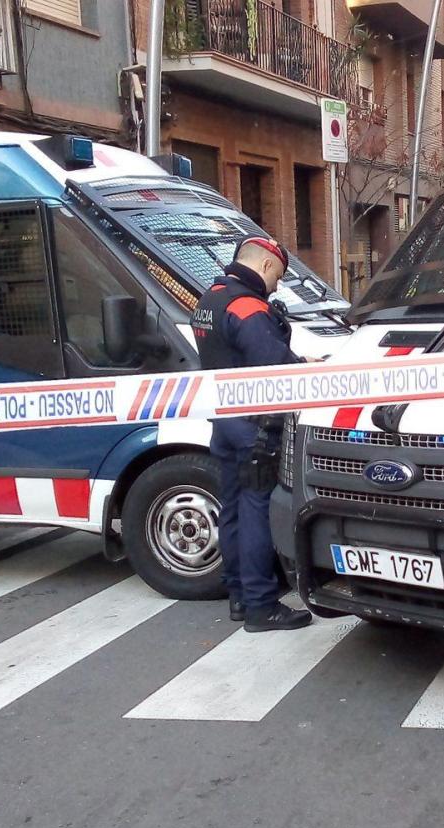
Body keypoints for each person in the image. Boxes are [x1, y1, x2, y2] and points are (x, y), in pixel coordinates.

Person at [192, 237, 314, 632]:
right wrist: (308, 368)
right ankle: (262, 605)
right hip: (255, 430)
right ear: (264, 267)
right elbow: (275, 366)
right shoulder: (248, 306)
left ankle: (240, 597)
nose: (276, 286)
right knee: (256, 509)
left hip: (224, 423)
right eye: (277, 276)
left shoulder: (209, 299)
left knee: (231, 508)